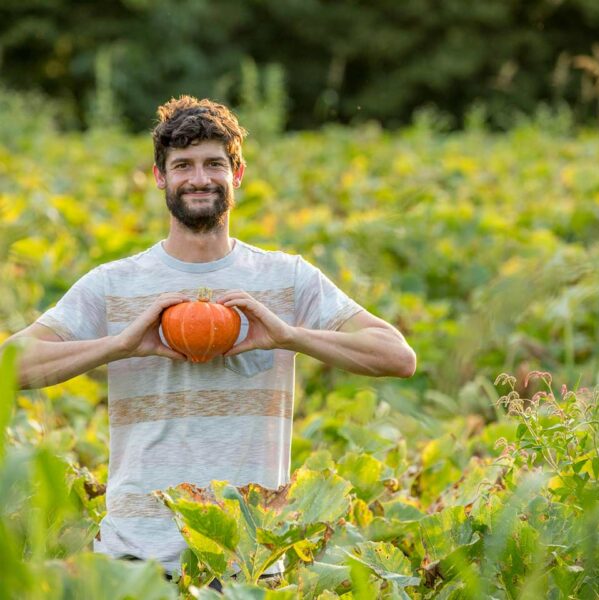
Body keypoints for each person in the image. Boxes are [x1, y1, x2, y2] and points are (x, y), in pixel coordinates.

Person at [2, 95, 416, 582]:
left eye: (214, 164)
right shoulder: (113, 283)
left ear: (236, 173)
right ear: (160, 177)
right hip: (136, 558)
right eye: (183, 165)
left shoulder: (288, 278)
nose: (199, 178)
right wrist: (119, 346)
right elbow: (11, 364)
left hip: (248, 558)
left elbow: (398, 356)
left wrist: (288, 336)